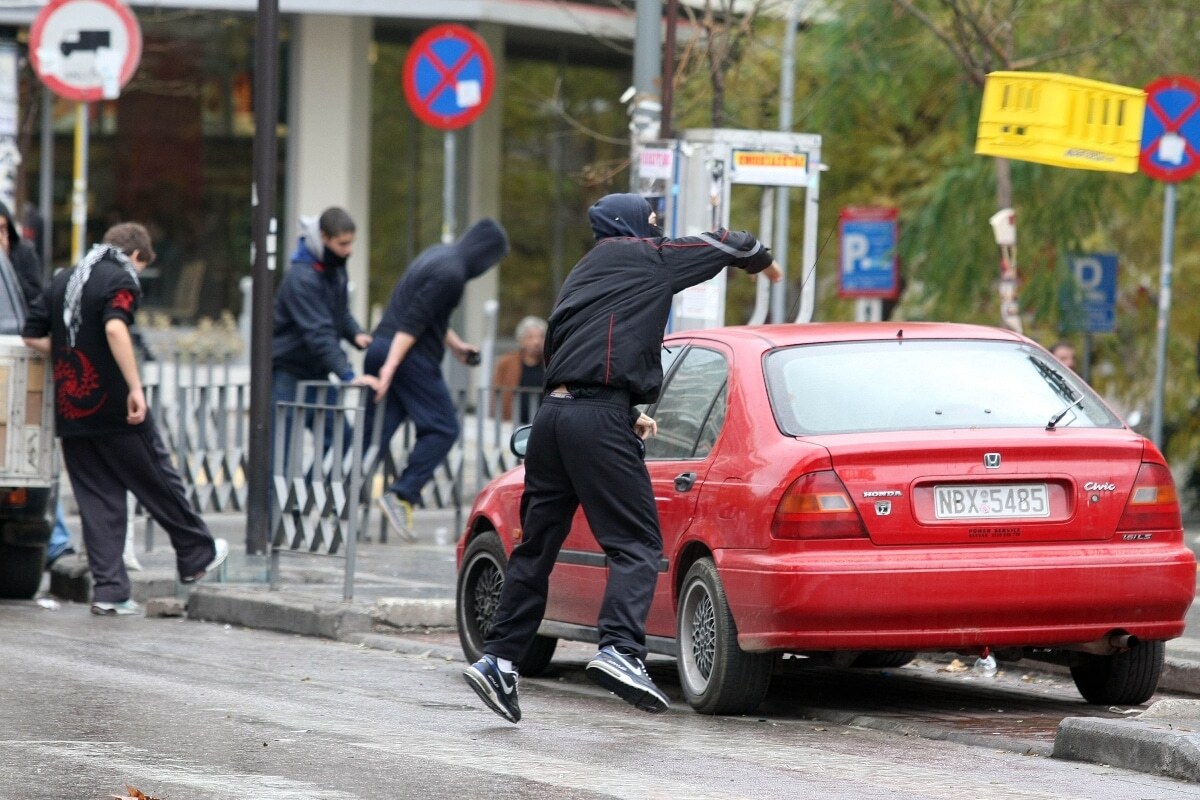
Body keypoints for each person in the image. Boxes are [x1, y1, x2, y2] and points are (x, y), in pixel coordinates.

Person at [463, 193, 779, 723]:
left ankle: (497, 659)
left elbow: (568, 354)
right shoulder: (645, 255)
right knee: (636, 543)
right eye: (652, 221)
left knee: (537, 547)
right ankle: (620, 650)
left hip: (554, 418)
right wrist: (764, 264)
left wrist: (621, 407)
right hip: (595, 419)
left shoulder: (581, 274)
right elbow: (723, 241)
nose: (657, 229)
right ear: (630, 226)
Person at [22, 222, 228, 616]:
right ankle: (196, 555)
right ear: (136, 256)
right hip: (115, 405)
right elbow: (116, 326)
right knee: (156, 477)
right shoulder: (120, 277)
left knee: (99, 499)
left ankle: (111, 590)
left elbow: (33, 334)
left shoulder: (66, 278)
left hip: (73, 409)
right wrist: (135, 387)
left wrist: (72, 349)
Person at [368, 219, 510, 541]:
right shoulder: (452, 275)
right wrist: (391, 367)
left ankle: (314, 497)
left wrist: (457, 347)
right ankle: (402, 494)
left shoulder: (436, 256)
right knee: (444, 427)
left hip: (384, 347)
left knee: (372, 435)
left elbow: (425, 313)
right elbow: (414, 322)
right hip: (408, 357)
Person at [272, 207, 377, 463]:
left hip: (316, 371)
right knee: (280, 453)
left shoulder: (334, 267)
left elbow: (338, 312)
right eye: (342, 244)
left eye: (351, 243)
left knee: (343, 439)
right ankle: (280, 503)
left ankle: (305, 497)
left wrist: (356, 334)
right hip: (288, 372)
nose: (348, 250)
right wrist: (348, 374)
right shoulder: (301, 278)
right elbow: (318, 332)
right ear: (323, 237)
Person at [492, 315, 547, 424]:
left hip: (542, 424)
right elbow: (497, 395)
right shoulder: (507, 363)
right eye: (530, 337)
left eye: (541, 336)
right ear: (521, 340)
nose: (537, 342)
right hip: (511, 423)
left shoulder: (551, 363)